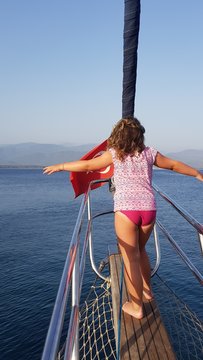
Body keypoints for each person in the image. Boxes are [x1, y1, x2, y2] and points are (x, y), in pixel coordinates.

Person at [43, 117, 203, 319]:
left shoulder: (114, 155)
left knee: (130, 258)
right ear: (140, 136)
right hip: (148, 209)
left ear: (117, 136)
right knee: (141, 250)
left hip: (127, 210)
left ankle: (136, 307)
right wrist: (197, 174)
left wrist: (61, 165)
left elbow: (88, 166)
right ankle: (147, 291)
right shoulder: (149, 153)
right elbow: (173, 165)